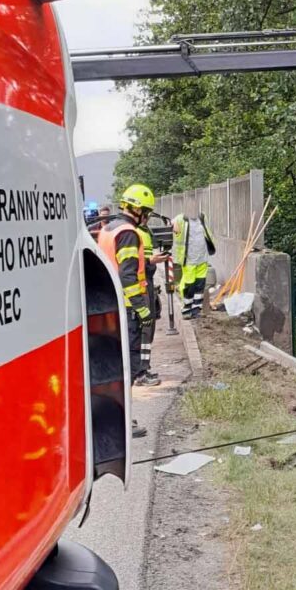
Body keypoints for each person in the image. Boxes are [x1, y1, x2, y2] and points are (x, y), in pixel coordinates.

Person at [97, 185, 161, 436]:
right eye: (145, 211)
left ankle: (116, 418)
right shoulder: (128, 233)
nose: (145, 216)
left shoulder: (108, 229)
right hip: (126, 309)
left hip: (110, 305)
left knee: (115, 366)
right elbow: (128, 275)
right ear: (136, 209)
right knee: (129, 367)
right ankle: (121, 421)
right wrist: (143, 309)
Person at [137, 224, 171, 385]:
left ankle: (144, 368)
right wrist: (152, 260)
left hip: (147, 282)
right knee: (144, 329)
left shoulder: (144, 231)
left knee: (148, 329)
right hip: (140, 286)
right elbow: (133, 264)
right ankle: (140, 372)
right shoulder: (133, 233)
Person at [171, 212, 215, 319]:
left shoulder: (202, 216)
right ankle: (187, 309)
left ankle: (196, 310)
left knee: (200, 285)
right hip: (189, 259)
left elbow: (207, 232)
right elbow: (172, 224)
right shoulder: (181, 218)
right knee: (189, 285)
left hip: (202, 258)